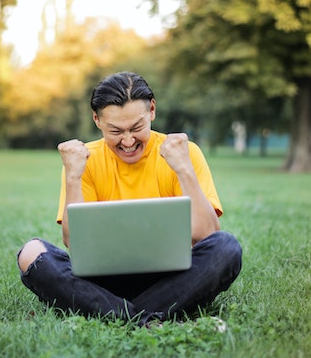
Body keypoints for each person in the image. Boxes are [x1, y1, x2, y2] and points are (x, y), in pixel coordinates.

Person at [17, 72, 242, 326]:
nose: (127, 141)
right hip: (103, 280)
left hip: (170, 279)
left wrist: (184, 169)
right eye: (115, 131)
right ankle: (147, 318)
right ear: (97, 119)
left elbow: (208, 235)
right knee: (30, 253)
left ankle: (112, 313)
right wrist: (73, 177)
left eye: (136, 128)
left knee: (226, 247)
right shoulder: (82, 160)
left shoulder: (183, 153)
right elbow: (74, 242)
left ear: (152, 110)